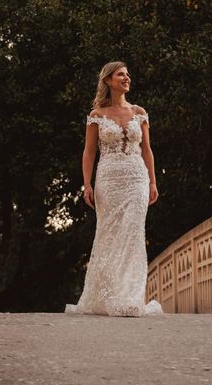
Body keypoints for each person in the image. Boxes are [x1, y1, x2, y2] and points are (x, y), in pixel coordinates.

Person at [64, 61, 164, 317]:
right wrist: (86, 184)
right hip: (108, 180)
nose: (127, 78)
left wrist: (153, 181)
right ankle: (107, 295)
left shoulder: (140, 112)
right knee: (109, 236)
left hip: (136, 179)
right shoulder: (96, 115)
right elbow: (88, 153)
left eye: (128, 74)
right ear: (108, 80)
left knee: (132, 233)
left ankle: (131, 297)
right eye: (121, 74)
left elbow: (147, 150)